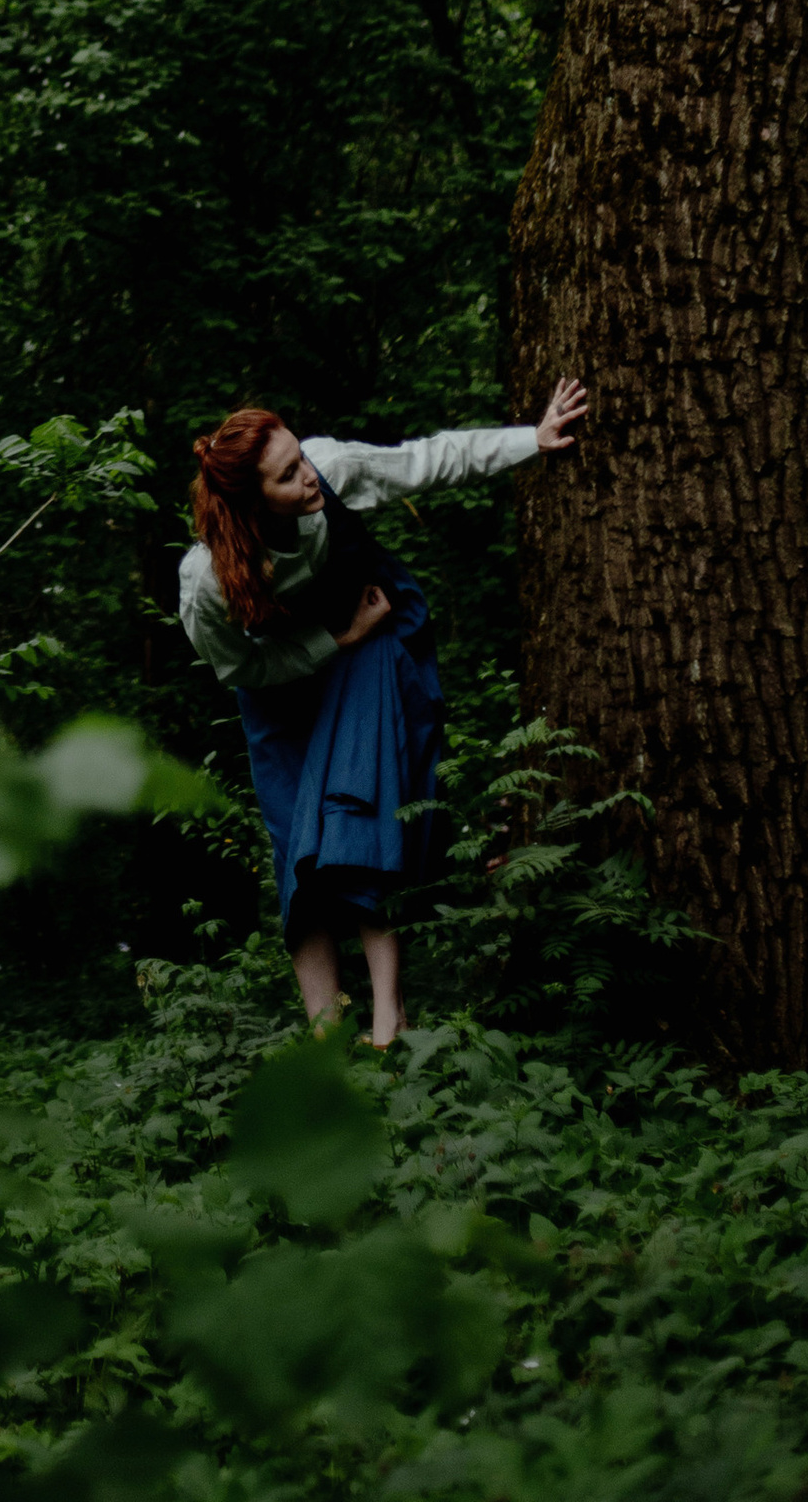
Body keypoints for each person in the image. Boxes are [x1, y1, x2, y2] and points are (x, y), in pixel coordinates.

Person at [178, 382, 587, 1043]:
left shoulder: (329, 470)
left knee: (362, 812)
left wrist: (529, 441)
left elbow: (424, 461)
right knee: (297, 854)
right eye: (288, 475)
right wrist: (329, 641)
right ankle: (324, 1036)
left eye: (300, 458)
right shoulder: (204, 581)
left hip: (365, 652)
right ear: (251, 503)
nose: (308, 476)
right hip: (283, 688)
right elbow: (237, 668)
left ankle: (388, 1017)